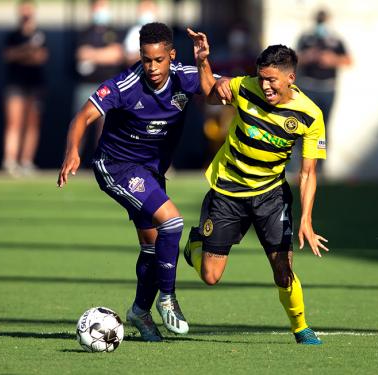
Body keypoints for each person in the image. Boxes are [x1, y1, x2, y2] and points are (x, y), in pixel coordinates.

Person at [58, 22, 204, 342]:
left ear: (171, 55)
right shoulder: (124, 85)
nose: (151, 67)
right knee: (173, 221)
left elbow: (221, 89)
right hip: (116, 167)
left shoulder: (185, 76)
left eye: (158, 60)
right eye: (146, 59)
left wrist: (205, 62)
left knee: (153, 248)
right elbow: (82, 117)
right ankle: (167, 298)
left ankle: (139, 310)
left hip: (151, 173)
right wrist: (72, 152)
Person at [185, 28, 329, 345]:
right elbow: (209, 92)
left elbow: (307, 173)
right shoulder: (244, 88)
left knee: (283, 269)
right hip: (227, 190)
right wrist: (203, 62)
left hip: (271, 197)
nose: (265, 85)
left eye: (272, 80)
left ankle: (301, 327)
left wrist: (306, 218)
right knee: (210, 277)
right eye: (261, 78)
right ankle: (194, 244)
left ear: (291, 78)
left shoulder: (309, 115)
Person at [73, 0, 124, 165]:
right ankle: (72, 160)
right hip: (86, 86)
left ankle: (102, 163)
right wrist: (105, 55)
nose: (101, 11)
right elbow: (81, 53)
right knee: (80, 123)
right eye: (98, 7)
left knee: (105, 128)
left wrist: (93, 55)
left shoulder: (114, 32)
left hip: (107, 86)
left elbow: (117, 54)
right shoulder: (84, 33)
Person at [1, 0, 49, 176]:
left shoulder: (40, 35)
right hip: (15, 84)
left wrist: (24, 54)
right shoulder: (12, 35)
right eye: (23, 12)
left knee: (32, 125)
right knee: (14, 123)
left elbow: (40, 57)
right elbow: (8, 55)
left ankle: (26, 161)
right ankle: (10, 160)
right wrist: (26, 51)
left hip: (35, 85)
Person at [296, 9, 351, 126]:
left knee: (324, 125)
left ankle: (322, 145)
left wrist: (333, 60)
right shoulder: (306, 38)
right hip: (308, 88)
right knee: (306, 125)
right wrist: (308, 56)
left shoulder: (335, 40)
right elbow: (294, 59)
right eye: (319, 20)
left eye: (323, 20)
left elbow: (348, 61)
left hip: (328, 89)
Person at [123, 0, 159, 66]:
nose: (146, 11)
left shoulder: (162, 31)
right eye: (144, 8)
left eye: (149, 7)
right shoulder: (134, 32)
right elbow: (129, 57)